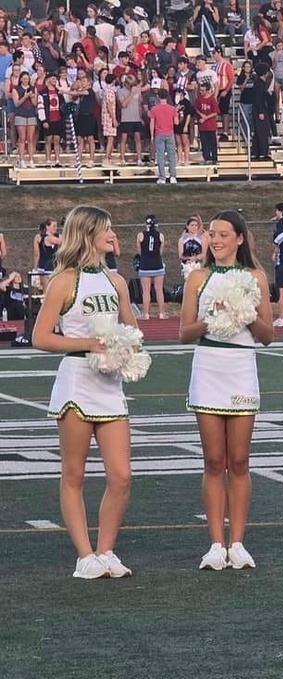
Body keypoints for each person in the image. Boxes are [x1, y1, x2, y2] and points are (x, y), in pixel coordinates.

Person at [32, 205, 138, 579]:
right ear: (88, 234)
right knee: (74, 472)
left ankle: (107, 551)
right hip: (77, 379)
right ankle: (84, 555)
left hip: (110, 385)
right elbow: (40, 337)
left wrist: (127, 348)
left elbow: (131, 330)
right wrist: (89, 343)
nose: (113, 235)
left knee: (121, 475)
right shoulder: (64, 281)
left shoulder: (117, 281)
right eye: (107, 229)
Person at [180, 210, 274, 569]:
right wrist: (212, 316)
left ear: (239, 239)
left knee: (239, 460)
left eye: (223, 234)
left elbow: (267, 337)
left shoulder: (256, 277)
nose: (215, 240)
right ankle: (216, 545)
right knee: (213, 461)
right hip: (208, 368)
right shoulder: (197, 278)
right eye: (211, 234)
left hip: (241, 368)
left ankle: (237, 542)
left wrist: (245, 313)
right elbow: (184, 333)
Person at [136, 214, 167, 319]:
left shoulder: (140, 235)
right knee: (159, 289)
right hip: (157, 264)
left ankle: (146, 314)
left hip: (145, 265)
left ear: (146, 224)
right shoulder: (161, 235)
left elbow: (139, 251)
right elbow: (160, 251)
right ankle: (161, 313)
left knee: (146, 291)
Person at [148, 87, 178, 183]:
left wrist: (152, 135)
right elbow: (176, 122)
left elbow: (152, 123)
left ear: (158, 97)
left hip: (159, 133)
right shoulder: (172, 109)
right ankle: (173, 176)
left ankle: (162, 177)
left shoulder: (154, 109)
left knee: (160, 156)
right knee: (171, 155)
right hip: (170, 133)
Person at [33, 218, 61, 290]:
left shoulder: (38, 237)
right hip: (49, 267)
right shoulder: (51, 238)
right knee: (50, 290)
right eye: (54, 226)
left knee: (46, 290)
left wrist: (35, 268)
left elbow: (36, 254)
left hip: (43, 266)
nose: (56, 228)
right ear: (47, 226)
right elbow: (36, 254)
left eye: (56, 226)